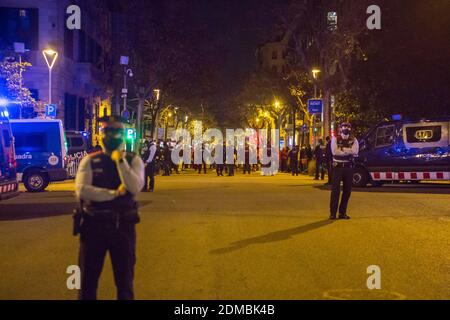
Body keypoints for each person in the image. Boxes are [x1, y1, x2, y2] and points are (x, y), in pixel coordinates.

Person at [75, 115, 144, 300]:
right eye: (107, 131)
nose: (111, 135)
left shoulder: (133, 160)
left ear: (123, 135)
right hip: (93, 226)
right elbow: (83, 191)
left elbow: (134, 186)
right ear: (101, 134)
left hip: (123, 227)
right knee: (87, 283)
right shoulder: (89, 161)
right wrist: (113, 194)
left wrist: (120, 162)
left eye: (116, 131)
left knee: (125, 283)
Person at [329, 122, 359, 220]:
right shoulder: (335, 139)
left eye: (348, 127)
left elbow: (355, 151)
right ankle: (333, 213)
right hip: (337, 167)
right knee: (335, 191)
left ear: (350, 129)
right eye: (344, 127)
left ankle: (342, 213)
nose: (346, 128)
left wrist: (342, 149)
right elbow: (334, 151)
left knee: (347, 191)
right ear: (340, 128)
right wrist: (348, 150)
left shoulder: (354, 140)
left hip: (348, 167)